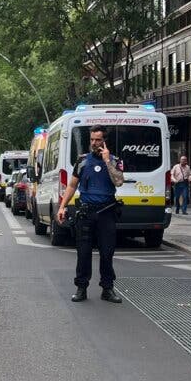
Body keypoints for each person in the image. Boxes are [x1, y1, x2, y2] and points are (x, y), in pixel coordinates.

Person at [56, 125, 126, 303]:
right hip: (86, 213)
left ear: (105, 141)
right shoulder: (82, 161)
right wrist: (62, 207)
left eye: (98, 140)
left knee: (107, 252)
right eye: (92, 140)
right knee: (83, 253)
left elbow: (118, 182)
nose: (94, 143)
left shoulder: (115, 160)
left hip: (107, 213)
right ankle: (81, 288)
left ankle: (107, 288)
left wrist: (107, 161)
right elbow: (72, 186)